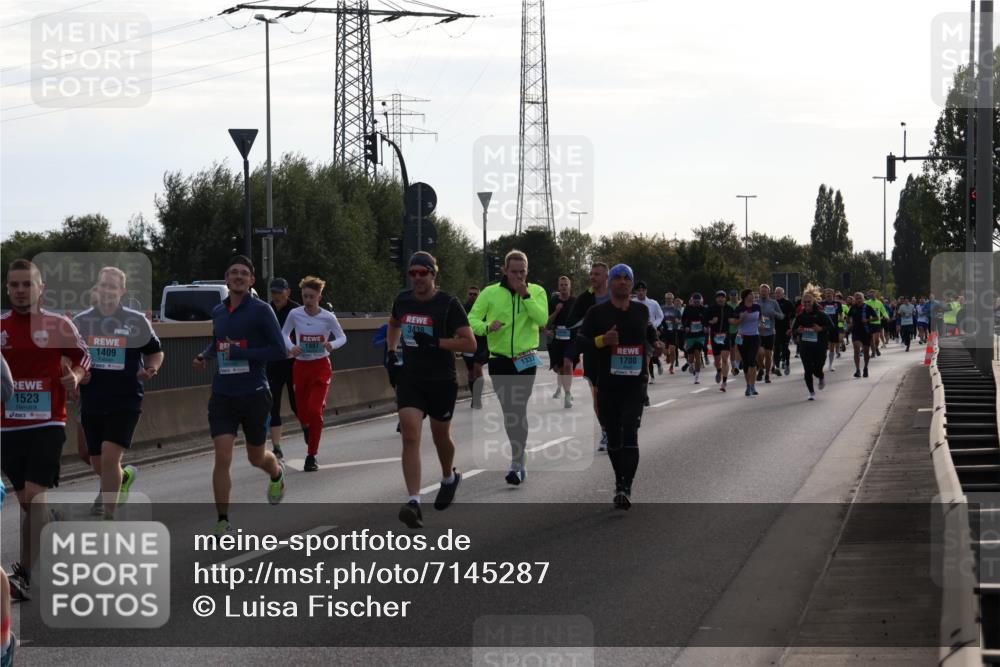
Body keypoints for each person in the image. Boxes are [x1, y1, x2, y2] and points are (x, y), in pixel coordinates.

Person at [1, 259, 91, 598]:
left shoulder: (58, 324)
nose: (21, 291)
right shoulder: (1, 326)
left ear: (41, 289)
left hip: (48, 421)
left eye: (28, 284)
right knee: (27, 501)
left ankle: (24, 574)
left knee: (35, 495)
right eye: (15, 285)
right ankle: (52, 522)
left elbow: (84, 357)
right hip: (7, 427)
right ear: (8, 288)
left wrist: (76, 376)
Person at [193, 256, 288, 536]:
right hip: (223, 395)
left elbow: (278, 351)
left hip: (254, 394)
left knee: (256, 457)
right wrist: (205, 356)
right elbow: (218, 343)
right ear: (226, 278)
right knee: (222, 457)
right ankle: (223, 521)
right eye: (233, 272)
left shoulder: (262, 311)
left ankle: (276, 473)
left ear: (251, 281)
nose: (238, 277)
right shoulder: (219, 312)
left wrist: (242, 354)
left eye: (243, 274)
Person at [387, 252, 476, 528]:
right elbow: (393, 323)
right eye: (412, 273)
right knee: (410, 434)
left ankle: (449, 476)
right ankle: (413, 501)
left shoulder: (448, 304)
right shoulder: (403, 300)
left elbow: (470, 344)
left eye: (422, 273)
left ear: (433, 275)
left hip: (441, 380)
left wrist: (436, 343)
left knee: (441, 436)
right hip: (411, 378)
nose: (416, 278)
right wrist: (391, 351)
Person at [73, 267, 163, 517]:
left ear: (122, 291)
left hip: (125, 399)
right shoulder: (81, 321)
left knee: (110, 460)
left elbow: (155, 350)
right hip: (93, 399)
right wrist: (78, 374)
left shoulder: (135, 321)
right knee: (97, 462)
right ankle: (124, 477)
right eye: (104, 285)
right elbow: (70, 357)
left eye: (113, 287)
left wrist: (151, 368)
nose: (108, 291)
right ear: (97, 288)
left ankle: (108, 517)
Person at [578, 264, 663, 509]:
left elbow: (649, 334)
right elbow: (581, 342)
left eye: (627, 278)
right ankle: (619, 480)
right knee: (614, 437)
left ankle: (626, 487)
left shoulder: (640, 311)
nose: (623, 282)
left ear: (632, 283)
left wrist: (656, 345)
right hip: (607, 383)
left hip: (635, 382)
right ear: (610, 282)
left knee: (630, 433)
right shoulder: (597, 313)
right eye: (618, 278)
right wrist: (602, 340)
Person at [467, 250, 548, 485]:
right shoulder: (491, 293)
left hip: (526, 358)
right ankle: (519, 455)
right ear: (505, 271)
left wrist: (526, 295)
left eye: (522, 272)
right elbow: (471, 319)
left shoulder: (537, 291)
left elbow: (542, 319)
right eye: (514, 272)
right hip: (500, 358)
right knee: (510, 411)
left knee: (518, 408)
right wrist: (487, 327)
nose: (519, 276)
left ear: (527, 271)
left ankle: (516, 462)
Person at [281, 276, 347, 472]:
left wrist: (331, 344)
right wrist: (292, 347)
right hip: (301, 367)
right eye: (304, 296)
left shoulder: (328, 317)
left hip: (320, 366)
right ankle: (307, 427)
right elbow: (284, 333)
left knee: (314, 410)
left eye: (311, 296)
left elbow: (343, 336)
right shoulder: (295, 314)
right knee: (302, 412)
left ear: (320, 296)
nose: (307, 300)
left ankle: (312, 455)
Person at [566, 262, 611, 450]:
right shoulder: (585, 299)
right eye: (591, 274)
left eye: (597, 274)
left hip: (614, 352)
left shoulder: (614, 296)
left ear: (606, 277)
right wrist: (589, 319)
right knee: (597, 394)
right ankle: (605, 431)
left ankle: (617, 426)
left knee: (614, 393)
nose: (592, 277)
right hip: (592, 351)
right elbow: (570, 322)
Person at [265, 277, 301, 460]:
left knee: (297, 404)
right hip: (274, 364)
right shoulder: (266, 309)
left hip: (295, 363)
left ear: (288, 292)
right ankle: (277, 446)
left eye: (280, 292)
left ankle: (308, 431)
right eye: (274, 292)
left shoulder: (297, 310)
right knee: (274, 405)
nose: (276, 295)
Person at [792, 290, 833, 400]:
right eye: (804, 302)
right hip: (805, 346)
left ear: (813, 301)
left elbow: (831, 326)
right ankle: (811, 393)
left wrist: (821, 328)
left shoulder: (821, 314)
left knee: (817, 369)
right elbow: (794, 330)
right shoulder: (800, 316)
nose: (807, 304)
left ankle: (821, 376)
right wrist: (798, 331)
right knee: (808, 370)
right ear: (802, 303)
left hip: (820, 346)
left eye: (809, 301)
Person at [546, 276, 577, 409]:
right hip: (557, 338)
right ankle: (563, 389)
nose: (564, 287)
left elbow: (581, 319)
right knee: (558, 368)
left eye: (566, 285)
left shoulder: (575, 301)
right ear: (558, 287)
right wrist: (557, 311)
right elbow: (547, 321)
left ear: (570, 286)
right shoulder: (553, 301)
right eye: (561, 285)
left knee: (567, 364)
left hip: (571, 338)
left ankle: (568, 394)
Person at [632, 280, 664, 383]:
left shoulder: (653, 303)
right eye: (638, 290)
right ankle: (651, 371)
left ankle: (648, 377)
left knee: (648, 355)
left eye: (643, 290)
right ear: (636, 292)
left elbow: (660, 316)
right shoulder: (632, 302)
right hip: (637, 332)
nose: (641, 292)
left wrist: (654, 325)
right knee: (642, 357)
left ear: (646, 291)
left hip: (650, 331)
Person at [462, 286, 489, 409]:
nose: (472, 296)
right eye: (470, 294)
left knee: (478, 367)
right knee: (471, 372)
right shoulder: (463, 308)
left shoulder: (484, 307)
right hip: (467, 343)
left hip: (482, 343)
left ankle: (477, 398)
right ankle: (474, 397)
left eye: (475, 294)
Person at [732, 288, 762, 397]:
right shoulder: (739, 308)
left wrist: (762, 323)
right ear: (745, 297)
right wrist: (741, 318)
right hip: (742, 337)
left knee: (752, 361)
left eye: (753, 294)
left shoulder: (757, 307)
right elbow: (735, 323)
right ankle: (748, 386)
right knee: (745, 363)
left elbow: (760, 318)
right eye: (750, 294)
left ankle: (753, 386)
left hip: (754, 336)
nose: (752, 296)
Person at [706, 290, 734, 392]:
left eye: (722, 297)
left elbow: (734, 319)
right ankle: (718, 370)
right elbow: (705, 321)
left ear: (725, 298)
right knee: (717, 360)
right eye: (718, 297)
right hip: (715, 336)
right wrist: (711, 321)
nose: (720, 299)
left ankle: (724, 382)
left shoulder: (729, 309)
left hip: (726, 336)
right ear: (716, 298)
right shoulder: (711, 308)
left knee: (725, 359)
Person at [756, 284, 785, 382]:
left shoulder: (774, 303)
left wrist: (774, 313)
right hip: (758, 332)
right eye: (762, 291)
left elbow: (781, 316)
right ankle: (760, 368)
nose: (763, 293)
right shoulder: (756, 303)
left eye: (765, 291)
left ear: (769, 292)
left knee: (768, 355)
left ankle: (767, 374)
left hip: (770, 333)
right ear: (759, 292)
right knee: (759, 353)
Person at [847, 292, 877, 378]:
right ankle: (857, 370)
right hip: (856, 331)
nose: (858, 300)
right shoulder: (852, 307)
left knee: (866, 352)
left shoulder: (867, 307)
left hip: (866, 332)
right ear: (854, 300)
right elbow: (848, 317)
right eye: (856, 298)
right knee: (856, 348)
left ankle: (865, 368)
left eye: (860, 298)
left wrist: (867, 320)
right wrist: (849, 324)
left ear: (863, 299)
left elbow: (876, 317)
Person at [773, 286, 795, 375]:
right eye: (776, 292)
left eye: (779, 292)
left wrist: (791, 328)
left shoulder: (788, 303)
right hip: (775, 329)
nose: (777, 294)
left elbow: (794, 317)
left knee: (785, 348)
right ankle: (777, 366)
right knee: (776, 348)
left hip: (786, 329)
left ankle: (787, 363)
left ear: (783, 294)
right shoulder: (772, 303)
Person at [819, 288, 841, 372]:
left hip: (834, 327)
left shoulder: (837, 303)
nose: (828, 295)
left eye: (830, 293)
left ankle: (830, 365)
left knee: (832, 346)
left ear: (833, 294)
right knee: (823, 347)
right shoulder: (821, 303)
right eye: (827, 293)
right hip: (824, 327)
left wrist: (843, 323)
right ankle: (821, 364)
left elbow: (840, 315)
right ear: (824, 295)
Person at [660, 292, 681, 375]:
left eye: (670, 298)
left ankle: (672, 366)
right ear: (665, 299)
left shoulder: (676, 310)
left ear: (672, 299)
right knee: (664, 351)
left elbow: (680, 320)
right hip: (664, 331)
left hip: (673, 331)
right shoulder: (661, 308)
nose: (668, 300)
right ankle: (667, 355)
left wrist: (677, 321)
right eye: (667, 298)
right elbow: (658, 318)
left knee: (673, 350)